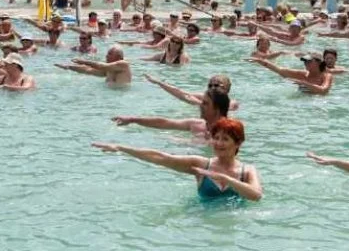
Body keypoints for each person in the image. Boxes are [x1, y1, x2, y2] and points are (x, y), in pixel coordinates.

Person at [93, 118, 262, 202]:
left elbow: (256, 196)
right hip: (201, 227)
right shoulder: (202, 164)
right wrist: (121, 148)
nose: (218, 143)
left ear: (238, 143)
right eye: (216, 138)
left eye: (225, 139)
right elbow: (161, 158)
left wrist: (226, 179)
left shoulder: (247, 171)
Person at [113, 86, 232, 138]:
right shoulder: (197, 124)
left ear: (217, 109)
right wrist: (133, 119)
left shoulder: (229, 131)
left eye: (205, 103)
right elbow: (164, 123)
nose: (200, 105)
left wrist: (186, 142)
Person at [247, 54, 333, 94]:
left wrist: (305, 83)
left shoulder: (326, 76)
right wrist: (260, 61)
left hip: (317, 103)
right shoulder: (302, 74)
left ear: (318, 63)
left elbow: (324, 90)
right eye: (305, 61)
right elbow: (279, 70)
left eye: (309, 61)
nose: (306, 63)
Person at [55, 45, 131, 87]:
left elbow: (101, 66)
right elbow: (88, 70)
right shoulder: (109, 69)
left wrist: (83, 61)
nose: (106, 56)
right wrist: (69, 67)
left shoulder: (123, 64)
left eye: (110, 54)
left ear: (118, 57)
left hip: (120, 96)